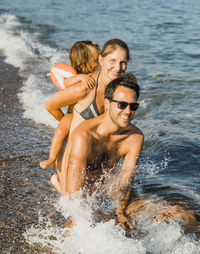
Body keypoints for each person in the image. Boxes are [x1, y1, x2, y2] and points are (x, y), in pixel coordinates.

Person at [41, 39, 131, 191]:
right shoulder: (84, 88)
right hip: (72, 155)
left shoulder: (118, 89)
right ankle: (57, 181)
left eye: (123, 62)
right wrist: (66, 121)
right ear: (101, 60)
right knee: (70, 204)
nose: (118, 67)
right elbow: (50, 105)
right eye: (113, 61)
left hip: (96, 159)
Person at [55, 74, 144, 229]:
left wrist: (121, 211)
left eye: (133, 106)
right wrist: (83, 213)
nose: (128, 111)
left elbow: (125, 180)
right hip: (81, 191)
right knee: (76, 224)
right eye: (122, 105)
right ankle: (56, 182)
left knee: (159, 214)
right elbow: (75, 192)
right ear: (107, 103)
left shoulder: (135, 137)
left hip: (104, 189)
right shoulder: (84, 134)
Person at [40, 40, 100, 169]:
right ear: (83, 61)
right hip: (71, 115)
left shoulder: (96, 76)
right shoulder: (76, 76)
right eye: (95, 60)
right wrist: (80, 78)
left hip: (89, 116)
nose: (98, 63)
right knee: (61, 130)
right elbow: (66, 83)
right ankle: (51, 158)